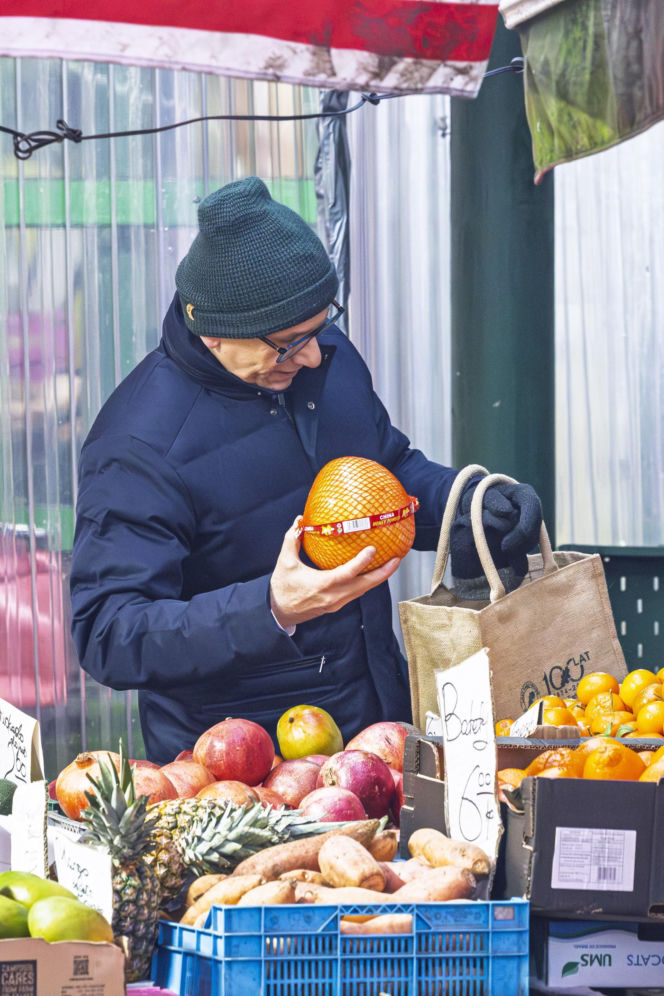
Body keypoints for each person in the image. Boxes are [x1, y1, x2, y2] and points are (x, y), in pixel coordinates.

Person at [70, 176, 542, 764]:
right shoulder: (139, 444)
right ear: (214, 333)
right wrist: (270, 608)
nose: (315, 355)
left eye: (319, 328)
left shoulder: (322, 359)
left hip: (376, 723)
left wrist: (466, 504)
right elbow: (109, 632)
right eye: (290, 343)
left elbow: (385, 472)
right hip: (251, 770)